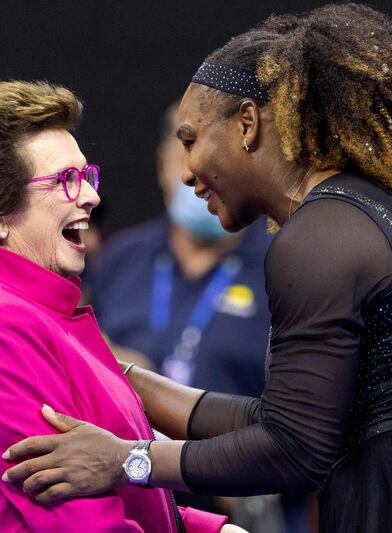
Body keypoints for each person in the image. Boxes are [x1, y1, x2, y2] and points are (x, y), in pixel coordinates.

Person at [1, 5, 392, 532]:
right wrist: (120, 380)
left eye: (192, 139)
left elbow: (294, 450)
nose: (185, 172)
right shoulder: (358, 212)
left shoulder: (317, 241)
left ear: (248, 125)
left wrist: (128, 461)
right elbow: (284, 417)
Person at [0, 80, 238, 532]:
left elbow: (114, 491)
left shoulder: (32, 308)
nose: (90, 195)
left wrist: (209, 529)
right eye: (66, 180)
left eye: (87, 176)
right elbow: (83, 523)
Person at [88, 103, 289, 529]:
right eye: (188, 147)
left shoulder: (285, 263)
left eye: (216, 152)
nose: (198, 171)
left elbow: (313, 420)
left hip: (246, 511)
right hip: (131, 509)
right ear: (165, 162)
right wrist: (113, 363)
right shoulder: (119, 258)